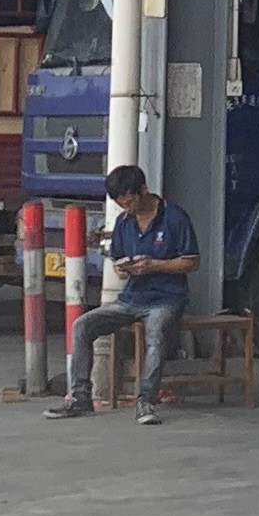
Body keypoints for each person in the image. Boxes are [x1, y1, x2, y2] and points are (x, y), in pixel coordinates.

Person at [46, 164, 197, 424]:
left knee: (156, 336)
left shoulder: (175, 217)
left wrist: (154, 265)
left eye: (129, 202)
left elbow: (191, 262)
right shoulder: (124, 222)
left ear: (143, 190)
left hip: (166, 298)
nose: (126, 209)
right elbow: (118, 258)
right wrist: (122, 268)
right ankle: (80, 397)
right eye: (121, 204)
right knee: (82, 325)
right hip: (131, 298)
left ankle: (146, 401)